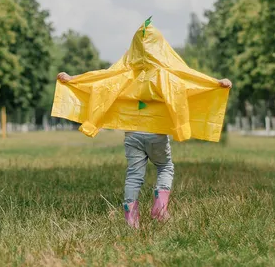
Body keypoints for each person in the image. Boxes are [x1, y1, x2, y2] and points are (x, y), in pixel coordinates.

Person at [57, 71, 232, 228]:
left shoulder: (125, 73)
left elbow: (101, 80)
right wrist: (216, 83)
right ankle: (160, 208)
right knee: (165, 166)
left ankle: (131, 220)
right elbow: (189, 83)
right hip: (156, 133)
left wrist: (73, 79)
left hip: (132, 134)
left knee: (134, 174)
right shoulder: (165, 75)